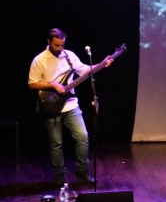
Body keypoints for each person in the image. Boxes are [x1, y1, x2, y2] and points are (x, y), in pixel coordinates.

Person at [28, 28, 112, 187]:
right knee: (56, 143)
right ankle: (59, 174)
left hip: (71, 105)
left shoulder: (69, 55)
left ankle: (82, 171)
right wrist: (52, 84)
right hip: (51, 105)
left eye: (62, 45)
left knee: (83, 137)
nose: (60, 48)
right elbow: (32, 83)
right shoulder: (39, 60)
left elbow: (85, 71)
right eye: (57, 45)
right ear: (49, 41)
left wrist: (102, 64)